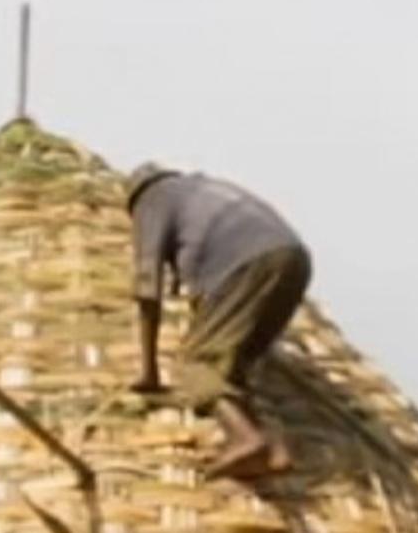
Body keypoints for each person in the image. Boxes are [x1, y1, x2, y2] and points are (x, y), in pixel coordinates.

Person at [124, 164, 316, 482]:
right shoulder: (203, 191)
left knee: (198, 363)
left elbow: (147, 288)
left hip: (244, 263)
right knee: (232, 366)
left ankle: (245, 439)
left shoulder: (152, 199)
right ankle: (274, 450)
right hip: (291, 259)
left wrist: (149, 371)